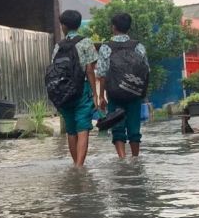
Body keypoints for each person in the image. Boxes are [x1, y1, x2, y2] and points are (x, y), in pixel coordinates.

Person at [96, 12, 151, 159]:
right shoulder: (138, 46)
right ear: (129, 28)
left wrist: (101, 96)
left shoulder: (106, 47)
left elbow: (101, 74)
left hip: (114, 93)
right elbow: (146, 70)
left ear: (113, 27)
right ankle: (135, 159)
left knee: (117, 127)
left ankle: (122, 159)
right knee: (134, 127)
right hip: (134, 93)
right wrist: (142, 92)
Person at [50, 10, 100, 167]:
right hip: (82, 89)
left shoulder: (58, 47)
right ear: (78, 25)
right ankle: (79, 168)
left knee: (71, 130)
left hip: (63, 91)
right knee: (83, 127)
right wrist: (94, 93)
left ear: (63, 26)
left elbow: (54, 70)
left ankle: (76, 165)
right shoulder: (86, 43)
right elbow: (90, 70)